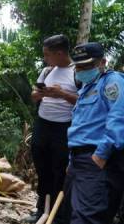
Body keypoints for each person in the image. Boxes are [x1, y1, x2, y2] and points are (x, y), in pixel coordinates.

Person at [64, 42, 124, 224]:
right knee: (67, 214)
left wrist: (101, 155)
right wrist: (70, 160)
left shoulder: (112, 82)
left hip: (96, 160)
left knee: (86, 218)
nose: (80, 70)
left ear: (102, 63)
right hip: (78, 160)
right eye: (78, 66)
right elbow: (81, 127)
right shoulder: (85, 89)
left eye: (86, 65)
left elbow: (119, 118)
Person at [27, 34, 78, 223]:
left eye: (47, 54)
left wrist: (62, 94)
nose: (45, 58)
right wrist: (42, 93)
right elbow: (33, 96)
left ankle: (58, 215)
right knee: (42, 166)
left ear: (60, 53)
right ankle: (41, 209)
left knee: (59, 169)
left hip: (64, 127)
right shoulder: (47, 71)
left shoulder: (77, 72)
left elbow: (86, 102)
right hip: (43, 124)